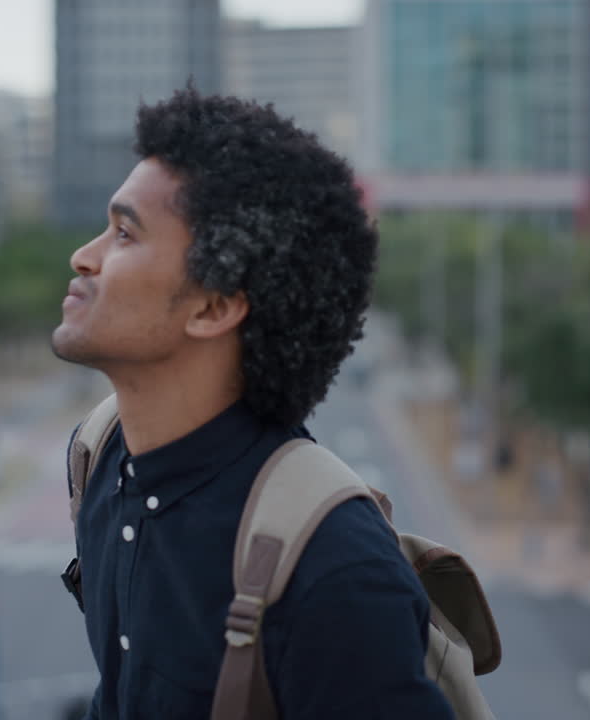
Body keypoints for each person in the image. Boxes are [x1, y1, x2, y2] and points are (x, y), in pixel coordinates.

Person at [52, 87, 454, 719]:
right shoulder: (97, 456)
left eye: (125, 234)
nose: (85, 256)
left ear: (214, 307)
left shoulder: (336, 573)